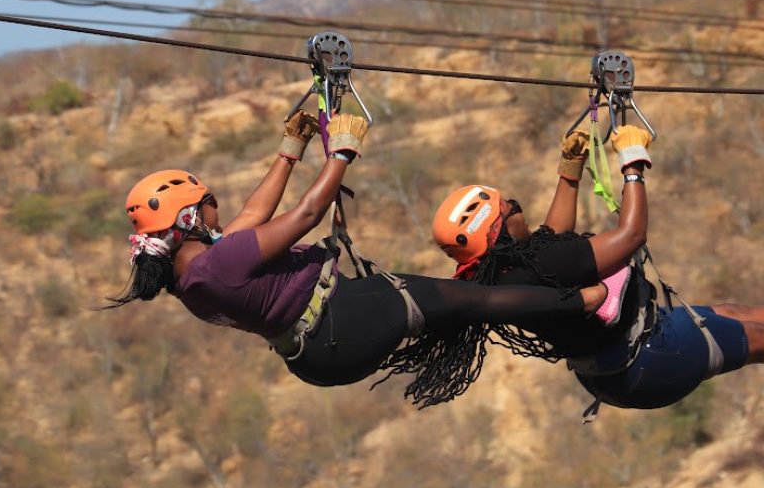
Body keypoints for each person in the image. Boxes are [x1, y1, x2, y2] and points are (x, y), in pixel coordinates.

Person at [109, 110, 609, 395]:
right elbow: (305, 215)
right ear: (188, 218)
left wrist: (291, 149)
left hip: (316, 355)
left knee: (457, 306)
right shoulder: (220, 263)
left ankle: (564, 305)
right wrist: (341, 153)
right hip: (341, 322)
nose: (219, 208)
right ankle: (580, 303)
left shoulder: (191, 275)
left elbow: (252, 218)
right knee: (470, 300)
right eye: (208, 203)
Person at [431, 123, 764, 416]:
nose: (520, 209)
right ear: (498, 232)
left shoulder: (500, 276)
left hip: (619, 368)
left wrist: (570, 170)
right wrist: (633, 162)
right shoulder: (543, 266)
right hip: (655, 357)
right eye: (512, 207)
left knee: (737, 313)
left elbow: (552, 238)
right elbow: (631, 235)